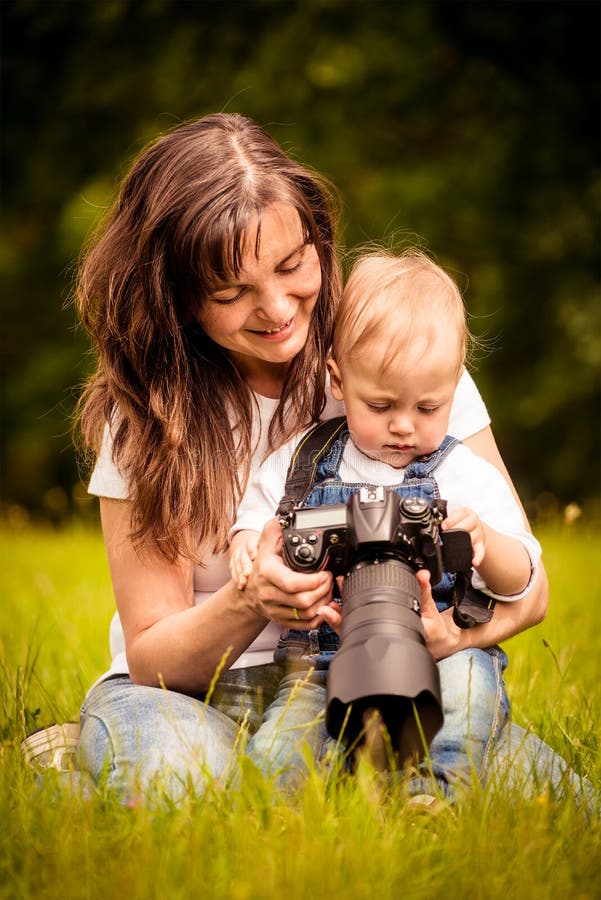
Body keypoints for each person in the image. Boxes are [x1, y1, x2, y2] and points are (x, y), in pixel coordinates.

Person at [71, 112, 556, 806]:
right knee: (183, 791)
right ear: (176, 298)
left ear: (318, 240)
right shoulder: (149, 413)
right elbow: (152, 657)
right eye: (229, 292)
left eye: (292, 266)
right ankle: (69, 759)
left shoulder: (400, 362)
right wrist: (248, 600)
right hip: (196, 694)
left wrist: (450, 640)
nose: (275, 308)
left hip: (382, 667)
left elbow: (528, 586)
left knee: (549, 811)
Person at [229, 249, 542, 796]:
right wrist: (245, 547)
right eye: (380, 406)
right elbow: (259, 515)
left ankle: (437, 797)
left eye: (428, 408)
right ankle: (274, 818)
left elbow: (525, 580)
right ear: (337, 381)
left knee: (469, 692)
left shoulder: (459, 472)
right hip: (319, 657)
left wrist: (485, 544)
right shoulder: (305, 460)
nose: (403, 427)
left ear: (454, 390)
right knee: (283, 743)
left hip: (441, 651)